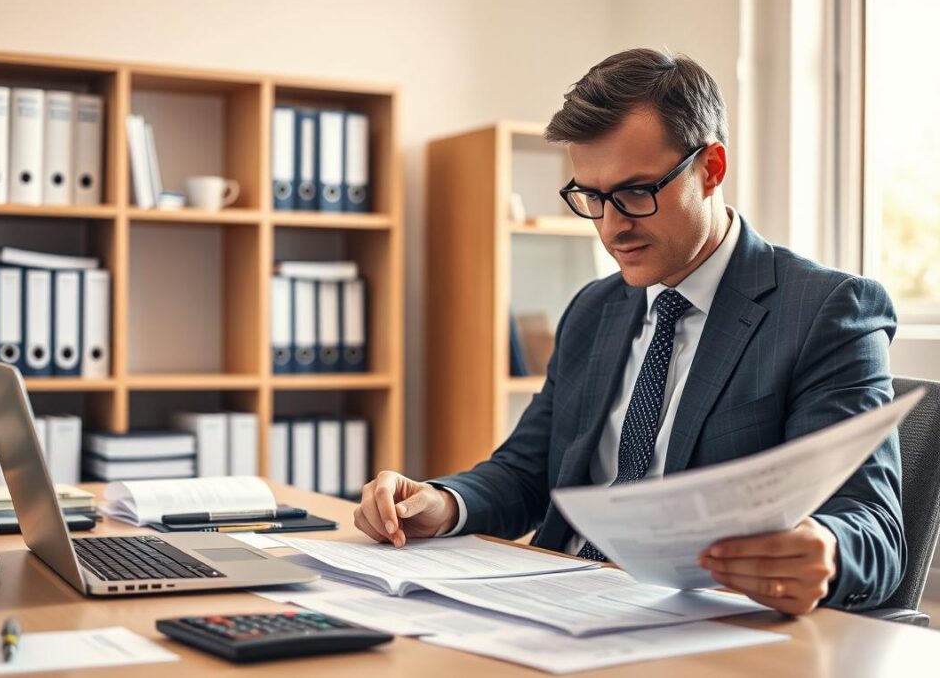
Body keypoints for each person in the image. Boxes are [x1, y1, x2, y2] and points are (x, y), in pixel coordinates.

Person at [354, 48, 904, 616]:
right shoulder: (594, 309)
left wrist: (828, 552)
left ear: (711, 169)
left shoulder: (825, 310)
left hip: (698, 629)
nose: (613, 227)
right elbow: (526, 471)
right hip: (554, 603)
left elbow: (877, 532)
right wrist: (442, 502)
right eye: (591, 197)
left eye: (636, 192)